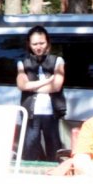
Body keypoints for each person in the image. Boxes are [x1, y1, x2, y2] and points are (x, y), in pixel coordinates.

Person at [17, 25, 66, 161]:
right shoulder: (23, 62)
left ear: (48, 43)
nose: (38, 47)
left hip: (52, 113)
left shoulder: (58, 61)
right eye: (34, 44)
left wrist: (30, 87)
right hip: (31, 114)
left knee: (54, 151)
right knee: (29, 151)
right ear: (29, 44)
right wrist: (47, 81)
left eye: (41, 43)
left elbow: (56, 86)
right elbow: (21, 85)